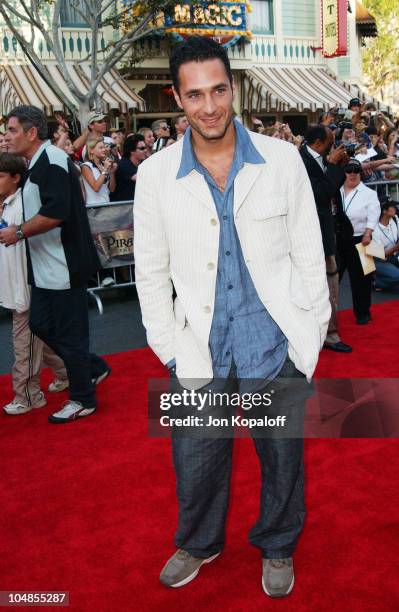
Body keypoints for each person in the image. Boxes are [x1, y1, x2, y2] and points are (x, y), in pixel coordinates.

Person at [134, 37, 330, 598]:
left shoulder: (283, 160)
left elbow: (309, 256)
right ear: (177, 98)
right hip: (197, 348)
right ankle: (199, 541)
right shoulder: (154, 175)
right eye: (194, 94)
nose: (210, 105)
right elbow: (150, 271)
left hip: (275, 344)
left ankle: (277, 545)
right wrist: (169, 348)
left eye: (219, 89)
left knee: (283, 463)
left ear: (233, 89)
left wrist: (308, 342)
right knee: (194, 465)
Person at [0, 105, 111, 423]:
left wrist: (18, 232)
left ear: (31, 132)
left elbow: (57, 211)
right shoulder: (38, 162)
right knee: (41, 325)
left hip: (65, 265)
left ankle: (82, 398)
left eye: (11, 130)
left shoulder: (52, 161)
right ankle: (91, 367)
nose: (6, 137)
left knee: (69, 333)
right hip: (47, 266)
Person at [0, 153, 69, 415]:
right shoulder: (6, 203)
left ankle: (28, 395)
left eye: (1, 176)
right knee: (40, 341)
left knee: (24, 344)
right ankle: (71, 371)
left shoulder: (24, 204)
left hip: (26, 287)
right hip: (12, 285)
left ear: (16, 178)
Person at [299, 125, 352, 353]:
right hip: (308, 235)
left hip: (327, 231)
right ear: (319, 143)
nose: (334, 145)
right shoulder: (299, 161)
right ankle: (313, 333)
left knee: (331, 282)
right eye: (331, 141)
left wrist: (337, 167)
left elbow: (329, 191)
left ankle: (330, 332)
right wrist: (332, 165)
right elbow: (320, 194)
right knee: (309, 285)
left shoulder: (321, 158)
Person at [336, 159, 380, 324]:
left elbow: (374, 214)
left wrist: (368, 233)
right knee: (333, 279)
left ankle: (363, 313)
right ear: (343, 172)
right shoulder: (336, 191)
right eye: (349, 170)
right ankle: (329, 316)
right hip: (339, 240)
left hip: (364, 239)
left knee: (363, 279)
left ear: (360, 173)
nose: (353, 173)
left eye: (356, 170)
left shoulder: (369, 193)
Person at [372, 199, 399, 291]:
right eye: (392, 206)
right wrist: (396, 247)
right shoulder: (374, 229)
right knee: (398, 276)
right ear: (384, 211)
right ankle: (377, 282)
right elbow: (381, 255)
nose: (395, 208)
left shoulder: (395, 219)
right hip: (379, 260)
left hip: (395, 255)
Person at [111, 134, 147, 202]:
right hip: (121, 208)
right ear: (132, 151)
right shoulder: (124, 164)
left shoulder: (143, 162)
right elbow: (142, 179)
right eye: (142, 148)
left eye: (145, 147)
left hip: (132, 206)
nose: (145, 150)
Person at [81, 138, 117, 205]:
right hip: (93, 208)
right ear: (91, 150)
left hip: (106, 205)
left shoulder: (103, 165)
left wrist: (112, 173)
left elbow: (112, 189)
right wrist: (105, 169)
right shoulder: (86, 166)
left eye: (104, 147)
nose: (104, 150)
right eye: (101, 148)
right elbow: (96, 188)